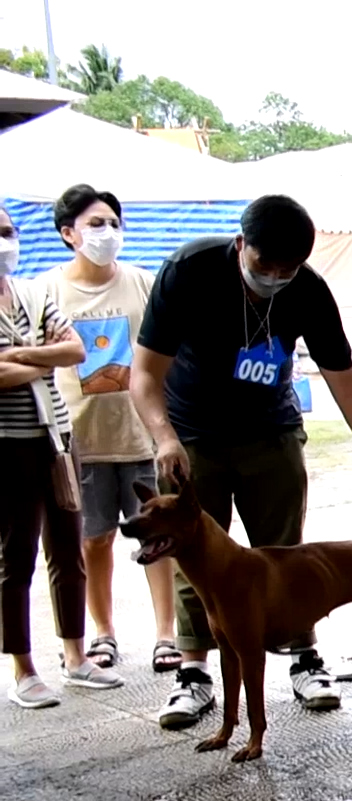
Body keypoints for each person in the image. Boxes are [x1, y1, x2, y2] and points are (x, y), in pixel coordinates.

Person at [131, 194, 352, 728]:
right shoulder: (189, 272)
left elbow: (344, 379)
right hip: (191, 434)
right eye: (265, 265)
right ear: (241, 245)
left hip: (271, 429)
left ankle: (304, 656)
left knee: (286, 554)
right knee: (197, 557)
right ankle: (194, 673)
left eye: (289, 267)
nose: (277, 276)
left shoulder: (306, 290)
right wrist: (164, 438)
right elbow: (143, 374)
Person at [41, 185, 181, 674]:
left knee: (159, 539)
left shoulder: (145, 283)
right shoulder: (48, 291)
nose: (107, 233)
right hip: (81, 443)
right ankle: (103, 634)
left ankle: (168, 634)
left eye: (114, 224)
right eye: (95, 225)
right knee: (93, 541)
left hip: (141, 438)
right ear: (68, 234)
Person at [0, 203, 123, 707]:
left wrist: (17, 355)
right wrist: (40, 357)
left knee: (68, 550)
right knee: (16, 556)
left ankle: (76, 656)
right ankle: (23, 668)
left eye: (7, 230)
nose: (5, 240)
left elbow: (74, 351)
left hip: (57, 440)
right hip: (7, 447)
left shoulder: (32, 292)